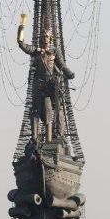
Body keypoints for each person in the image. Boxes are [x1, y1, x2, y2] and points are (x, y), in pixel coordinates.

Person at [16, 13, 74, 143]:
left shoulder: (54, 51)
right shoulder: (36, 51)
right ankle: (34, 138)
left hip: (51, 84)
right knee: (35, 110)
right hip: (39, 84)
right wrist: (22, 25)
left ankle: (60, 135)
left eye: (47, 36)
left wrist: (69, 72)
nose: (45, 38)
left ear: (51, 38)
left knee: (58, 107)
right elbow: (21, 44)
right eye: (43, 37)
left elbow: (62, 65)